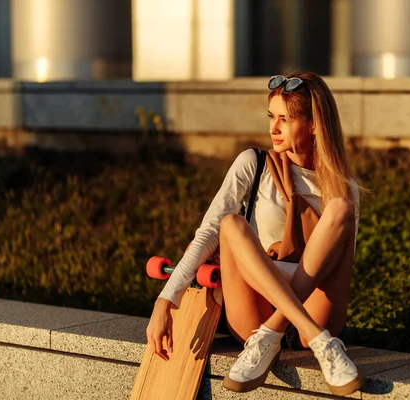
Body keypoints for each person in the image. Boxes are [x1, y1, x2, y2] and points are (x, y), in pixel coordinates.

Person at [145, 71, 364, 396]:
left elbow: (333, 268)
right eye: (271, 117)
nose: (273, 128)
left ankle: (276, 333)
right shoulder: (254, 163)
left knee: (341, 209)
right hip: (255, 310)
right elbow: (206, 234)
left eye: (285, 119)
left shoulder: (343, 187)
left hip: (315, 308)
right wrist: (166, 299)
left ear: (314, 124)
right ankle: (320, 342)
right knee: (230, 225)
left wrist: (276, 279)